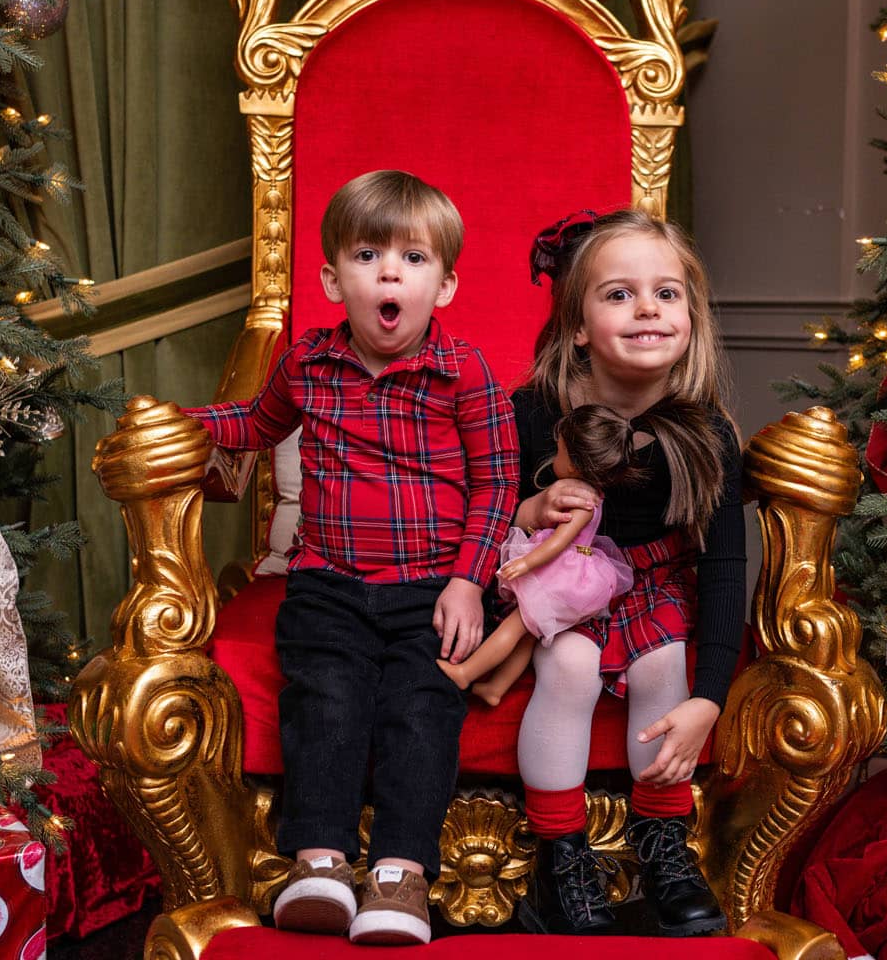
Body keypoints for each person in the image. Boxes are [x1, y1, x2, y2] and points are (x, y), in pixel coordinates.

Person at [183, 170, 519, 946]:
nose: (391, 273)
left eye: (414, 258)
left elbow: (498, 482)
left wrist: (469, 582)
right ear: (335, 280)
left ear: (447, 283)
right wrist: (177, 423)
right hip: (328, 587)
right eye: (369, 256)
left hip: (433, 588)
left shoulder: (463, 373)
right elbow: (254, 424)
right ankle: (322, 865)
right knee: (325, 703)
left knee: (420, 709)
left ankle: (400, 875)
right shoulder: (309, 365)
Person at [511, 209, 745, 937]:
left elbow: (725, 569)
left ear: (691, 316)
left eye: (667, 293)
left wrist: (709, 699)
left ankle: (662, 846)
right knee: (572, 666)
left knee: (663, 664)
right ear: (578, 325)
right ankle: (562, 855)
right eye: (618, 294)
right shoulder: (532, 412)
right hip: (559, 580)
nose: (647, 308)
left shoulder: (707, 434)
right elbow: (480, 517)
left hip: (651, 585)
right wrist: (532, 508)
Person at [435, 404, 638, 704]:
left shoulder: (581, 501)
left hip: (561, 576)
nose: (555, 458)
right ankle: (495, 689)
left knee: (513, 627)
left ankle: (466, 672)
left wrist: (526, 562)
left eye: (560, 453)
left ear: (574, 465)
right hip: (564, 572)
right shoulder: (587, 492)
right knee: (527, 634)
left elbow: (559, 542)